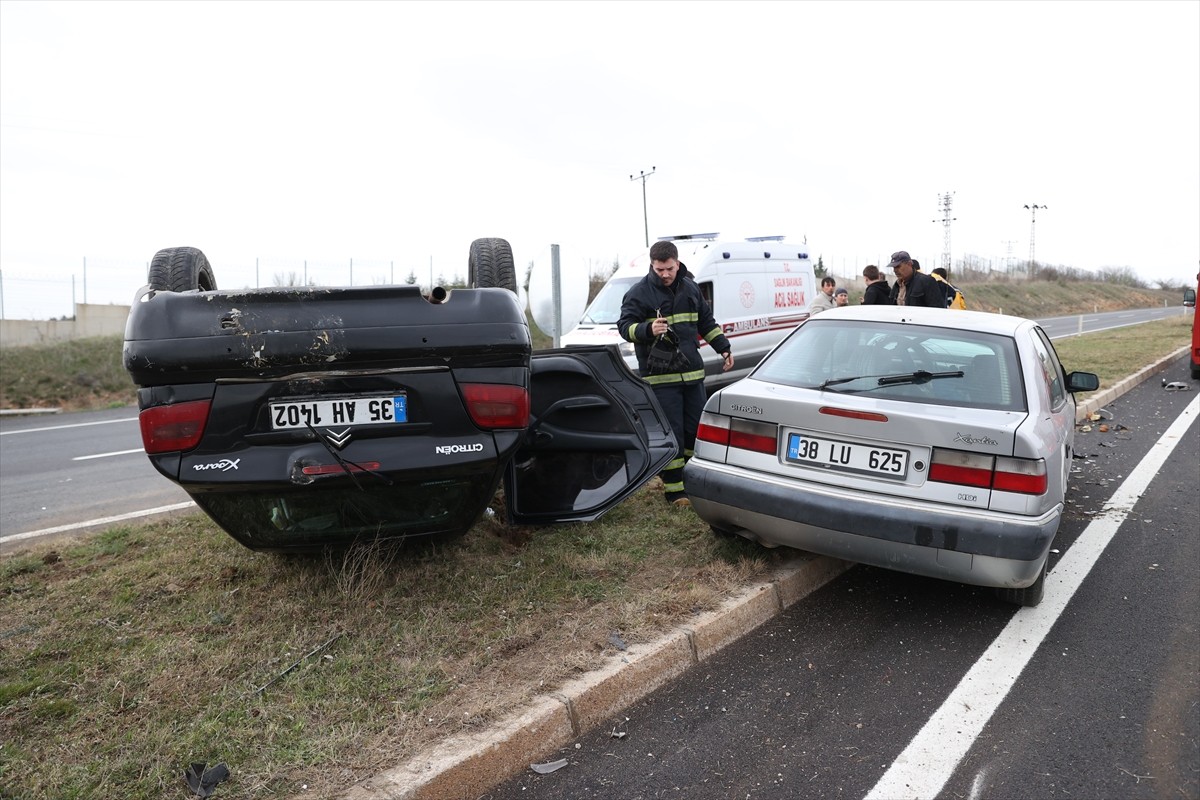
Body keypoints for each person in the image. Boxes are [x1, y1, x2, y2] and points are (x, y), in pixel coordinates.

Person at [618, 240, 734, 507]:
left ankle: (691, 480)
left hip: (692, 375)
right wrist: (647, 330)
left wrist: (724, 348)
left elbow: (706, 322)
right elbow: (624, 327)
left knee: (695, 431)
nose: (665, 274)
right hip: (661, 379)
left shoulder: (691, 288)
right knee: (674, 433)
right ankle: (675, 491)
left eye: (669, 268)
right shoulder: (639, 293)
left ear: (677, 263)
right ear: (652, 265)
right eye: (659, 269)